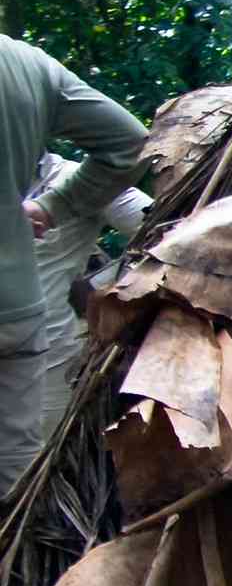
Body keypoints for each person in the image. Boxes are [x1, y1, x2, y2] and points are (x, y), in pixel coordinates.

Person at [1, 38, 145, 493]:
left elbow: (157, 226)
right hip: (19, 323)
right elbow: (129, 141)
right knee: (17, 466)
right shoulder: (23, 62)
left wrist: (108, 292)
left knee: (31, 466)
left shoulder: (66, 176)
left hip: (50, 352)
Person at [25, 150, 148, 444]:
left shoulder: (76, 179)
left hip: (43, 359)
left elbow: (166, 226)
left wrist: (107, 291)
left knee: (32, 458)